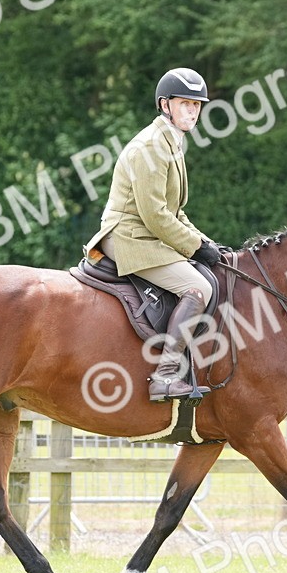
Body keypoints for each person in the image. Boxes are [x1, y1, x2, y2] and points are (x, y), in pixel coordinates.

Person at [83, 67, 223, 402]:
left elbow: (175, 211)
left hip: (149, 235)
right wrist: (193, 246)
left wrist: (204, 242)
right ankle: (165, 375)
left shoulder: (172, 142)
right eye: (185, 103)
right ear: (165, 105)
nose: (193, 110)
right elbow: (155, 215)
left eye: (197, 104)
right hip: (129, 238)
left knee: (210, 270)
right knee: (199, 286)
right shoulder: (150, 146)